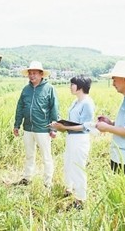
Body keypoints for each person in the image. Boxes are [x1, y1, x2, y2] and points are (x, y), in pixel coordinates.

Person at [50, 76, 95, 210]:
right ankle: (69, 189)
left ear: (80, 86)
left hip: (80, 139)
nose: (70, 87)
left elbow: (86, 126)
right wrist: (60, 125)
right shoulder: (76, 102)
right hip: (71, 137)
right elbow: (73, 122)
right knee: (68, 163)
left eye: (72, 84)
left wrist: (64, 128)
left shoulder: (87, 103)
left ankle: (80, 199)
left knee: (78, 167)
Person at [13, 61, 59, 188]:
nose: (32, 76)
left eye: (34, 73)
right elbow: (20, 107)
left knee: (46, 156)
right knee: (29, 154)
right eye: (30, 73)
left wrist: (53, 128)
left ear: (41, 74)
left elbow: (54, 109)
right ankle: (27, 178)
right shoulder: (26, 90)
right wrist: (17, 125)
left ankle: (47, 182)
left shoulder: (49, 89)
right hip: (28, 128)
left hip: (43, 128)